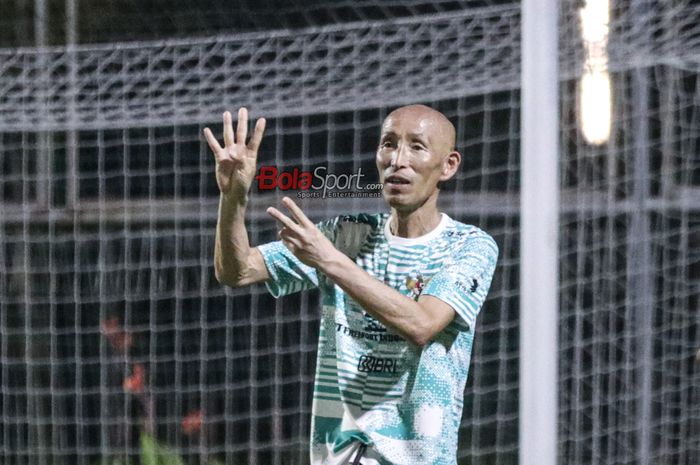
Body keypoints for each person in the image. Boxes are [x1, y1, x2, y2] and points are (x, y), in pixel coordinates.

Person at [203, 104, 498, 465]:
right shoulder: (348, 235)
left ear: (448, 165)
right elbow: (238, 271)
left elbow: (422, 325)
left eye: (416, 147)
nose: (397, 159)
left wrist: (328, 260)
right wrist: (233, 197)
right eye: (388, 144)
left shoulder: (468, 245)